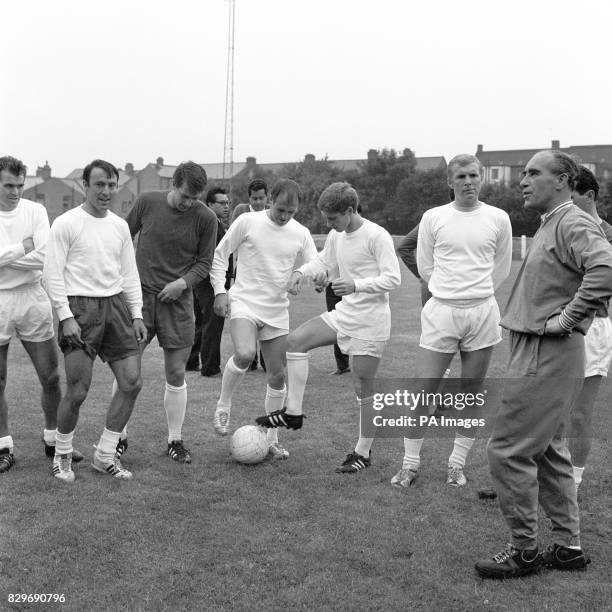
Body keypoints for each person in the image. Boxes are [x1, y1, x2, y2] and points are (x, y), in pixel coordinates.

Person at [476, 150, 612, 578]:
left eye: (534, 173)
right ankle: (568, 548)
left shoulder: (572, 219)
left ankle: (524, 550)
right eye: (524, 173)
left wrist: (570, 317)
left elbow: (606, 267)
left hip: (546, 351)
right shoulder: (553, 221)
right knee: (550, 451)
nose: (523, 180)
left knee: (508, 449)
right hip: (541, 349)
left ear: (564, 180)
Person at [255, 182, 402, 473]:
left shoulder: (377, 236)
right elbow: (322, 260)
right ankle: (293, 412)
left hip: (370, 322)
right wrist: (301, 272)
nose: (329, 224)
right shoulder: (337, 235)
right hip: (344, 314)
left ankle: (362, 452)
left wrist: (356, 284)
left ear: (350, 210)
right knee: (295, 342)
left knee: (362, 387)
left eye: (333, 218)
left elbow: (393, 278)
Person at [390, 154, 512, 490]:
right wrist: (449, 293)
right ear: (450, 181)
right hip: (442, 311)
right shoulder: (434, 217)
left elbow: (500, 268)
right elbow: (425, 266)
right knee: (424, 393)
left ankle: (456, 466)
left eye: (474, 175)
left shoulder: (498, 218)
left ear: (481, 178)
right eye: (461, 176)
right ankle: (409, 464)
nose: (469, 181)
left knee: (471, 394)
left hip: (482, 314)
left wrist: (476, 294)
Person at [43, 159, 146, 482]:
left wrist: (137, 313)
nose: (105, 191)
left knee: (132, 382)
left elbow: (129, 274)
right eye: (99, 184)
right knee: (77, 390)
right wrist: (66, 316)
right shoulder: (66, 223)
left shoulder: (118, 226)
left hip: (115, 307)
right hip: (80, 309)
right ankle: (61, 456)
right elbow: (51, 274)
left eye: (111, 185)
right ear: (84, 186)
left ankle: (105, 453)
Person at [211, 178, 317, 460]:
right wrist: (220, 292)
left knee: (278, 374)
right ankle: (224, 404)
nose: (284, 216)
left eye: (290, 212)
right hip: (244, 301)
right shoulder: (247, 221)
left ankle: (272, 437)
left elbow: (316, 262)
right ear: (270, 199)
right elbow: (220, 255)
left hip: (276, 310)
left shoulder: (300, 232)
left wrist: (301, 273)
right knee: (245, 353)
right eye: (280, 209)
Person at [125, 161, 217, 464]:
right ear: (172, 185)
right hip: (139, 300)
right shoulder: (146, 202)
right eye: (184, 196)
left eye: (194, 198)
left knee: (176, 372)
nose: (188, 203)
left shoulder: (206, 218)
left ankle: (175, 440)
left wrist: (182, 283)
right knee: (128, 370)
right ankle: (118, 436)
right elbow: (123, 241)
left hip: (177, 302)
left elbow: (204, 263)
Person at [0, 155, 83, 473]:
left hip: (33, 297)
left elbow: (46, 257)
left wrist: (7, 256)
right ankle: (4, 446)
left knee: (50, 377)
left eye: (20, 185)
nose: (15, 192)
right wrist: (24, 248)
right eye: (8, 185)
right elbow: (33, 253)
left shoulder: (35, 211)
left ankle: (53, 441)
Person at [566, 167, 612, 490]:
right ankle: (539, 480)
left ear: (589, 196)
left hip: (593, 327)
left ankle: (573, 484)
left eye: (572, 197)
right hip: (557, 326)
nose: (566, 204)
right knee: (546, 410)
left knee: (579, 414)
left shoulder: (607, 234)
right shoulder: (560, 227)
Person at [186, 187, 233, 376]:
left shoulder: (210, 223)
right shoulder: (212, 224)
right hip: (210, 281)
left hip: (201, 280)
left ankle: (190, 361)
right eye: (221, 203)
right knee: (213, 324)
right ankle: (210, 367)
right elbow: (212, 257)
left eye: (228, 203)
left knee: (201, 323)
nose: (227, 206)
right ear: (209, 205)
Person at [230, 178, 270, 371]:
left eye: (261, 198)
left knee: (267, 315)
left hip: (267, 272)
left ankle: (266, 358)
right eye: (254, 198)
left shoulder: (273, 213)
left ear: (267, 197)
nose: (258, 202)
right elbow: (232, 239)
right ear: (249, 198)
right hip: (245, 270)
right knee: (247, 313)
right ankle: (250, 358)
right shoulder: (241, 212)